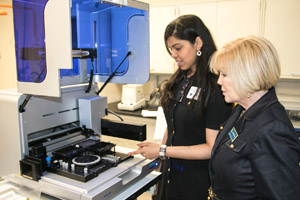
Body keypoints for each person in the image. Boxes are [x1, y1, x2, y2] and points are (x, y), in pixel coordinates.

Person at [128, 15, 232, 200]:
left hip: (197, 181)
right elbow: (173, 121)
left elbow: (211, 148)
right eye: (170, 49)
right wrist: (161, 154)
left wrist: (162, 151)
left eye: (178, 48)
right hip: (171, 174)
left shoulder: (216, 86)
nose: (173, 54)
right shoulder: (180, 80)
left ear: (198, 43)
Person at [208, 35, 300, 200]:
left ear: (247, 75)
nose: (219, 81)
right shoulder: (241, 111)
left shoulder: (272, 129)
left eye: (224, 75)